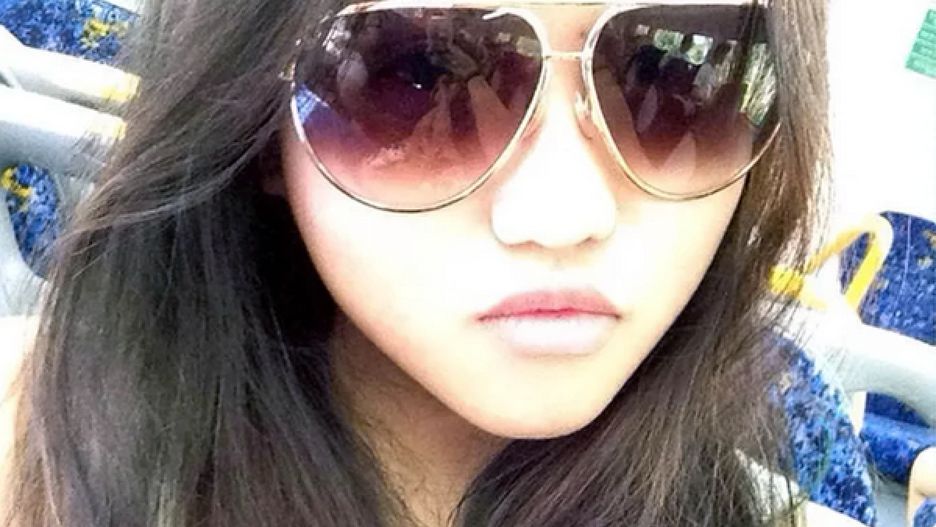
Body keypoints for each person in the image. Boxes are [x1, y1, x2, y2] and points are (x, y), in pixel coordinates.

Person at [0, 0, 871, 525]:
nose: (565, 215)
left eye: (664, 75)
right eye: (410, 74)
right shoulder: (40, 448)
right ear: (260, 134)